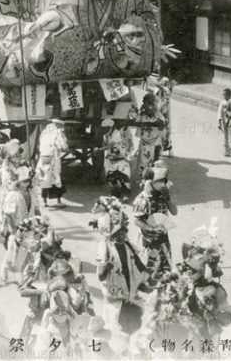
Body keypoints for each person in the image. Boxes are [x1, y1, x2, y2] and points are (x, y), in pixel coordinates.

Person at [92, 196, 147, 344]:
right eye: (118, 233)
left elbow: (140, 266)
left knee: (135, 330)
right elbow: (101, 276)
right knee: (116, 332)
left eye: (124, 231)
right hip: (116, 299)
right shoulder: (105, 248)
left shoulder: (128, 246)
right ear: (110, 234)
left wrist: (147, 280)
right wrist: (107, 266)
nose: (122, 235)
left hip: (131, 296)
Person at [133, 166, 177, 287]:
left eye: (164, 181)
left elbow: (174, 211)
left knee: (165, 270)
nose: (163, 184)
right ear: (151, 182)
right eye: (160, 181)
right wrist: (151, 228)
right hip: (148, 241)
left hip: (163, 239)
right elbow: (137, 221)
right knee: (148, 270)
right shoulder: (142, 200)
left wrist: (168, 198)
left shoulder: (163, 195)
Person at [37, 119, 69, 207]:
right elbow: (64, 146)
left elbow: (40, 143)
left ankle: (44, 202)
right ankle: (58, 201)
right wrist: (66, 148)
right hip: (53, 159)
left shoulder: (44, 132)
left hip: (43, 158)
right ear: (59, 125)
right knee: (56, 179)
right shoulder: (59, 133)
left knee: (44, 179)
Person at [135, 92, 165, 183]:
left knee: (155, 159)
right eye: (145, 104)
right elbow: (136, 122)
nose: (148, 107)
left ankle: (153, 178)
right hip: (145, 142)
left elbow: (162, 127)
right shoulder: (142, 115)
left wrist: (158, 122)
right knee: (143, 161)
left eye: (151, 104)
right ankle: (143, 177)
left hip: (155, 141)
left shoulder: (158, 115)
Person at [101, 118, 134, 199]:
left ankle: (125, 193)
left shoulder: (116, 133)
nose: (104, 129)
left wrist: (100, 149)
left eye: (106, 128)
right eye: (103, 128)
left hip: (120, 158)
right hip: (110, 158)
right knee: (111, 176)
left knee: (123, 176)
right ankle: (115, 192)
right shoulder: (105, 135)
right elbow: (105, 145)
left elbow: (111, 145)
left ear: (111, 127)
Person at [153, 77, 173, 155]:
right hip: (157, 113)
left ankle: (169, 149)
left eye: (166, 82)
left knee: (165, 132)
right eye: (163, 82)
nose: (164, 84)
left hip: (164, 114)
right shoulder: (156, 90)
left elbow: (166, 104)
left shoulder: (166, 91)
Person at [217, 88, 231, 157]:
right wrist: (219, 122)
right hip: (224, 121)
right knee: (225, 137)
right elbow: (219, 112)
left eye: (226, 94)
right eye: (223, 94)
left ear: (230, 95)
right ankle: (226, 151)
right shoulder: (222, 102)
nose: (224, 96)